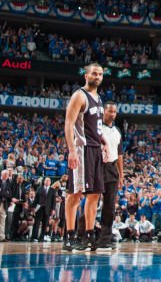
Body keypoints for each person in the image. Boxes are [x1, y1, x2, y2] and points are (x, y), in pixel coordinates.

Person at [63, 62, 105, 252]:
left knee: (95, 194)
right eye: (94, 73)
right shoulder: (79, 95)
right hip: (82, 149)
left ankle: (89, 235)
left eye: (100, 74)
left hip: (96, 149)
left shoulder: (99, 98)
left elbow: (96, 127)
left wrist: (103, 142)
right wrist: (71, 150)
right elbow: (69, 124)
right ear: (86, 76)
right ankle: (69, 236)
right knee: (75, 193)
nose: (97, 76)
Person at [96, 101, 123, 250]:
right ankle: (83, 233)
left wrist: (121, 173)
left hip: (112, 168)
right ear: (103, 112)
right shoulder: (97, 127)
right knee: (92, 202)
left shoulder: (117, 130)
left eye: (114, 112)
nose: (112, 114)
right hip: (98, 166)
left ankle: (104, 239)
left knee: (110, 205)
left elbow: (120, 154)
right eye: (110, 111)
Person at [31, 177, 57, 242]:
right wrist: (33, 207)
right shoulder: (39, 188)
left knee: (45, 224)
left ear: (50, 182)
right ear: (44, 181)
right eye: (46, 180)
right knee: (36, 223)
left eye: (49, 181)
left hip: (47, 208)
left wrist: (53, 209)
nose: (47, 182)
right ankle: (34, 237)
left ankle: (42, 237)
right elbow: (36, 199)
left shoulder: (52, 190)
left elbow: (53, 201)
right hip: (39, 208)